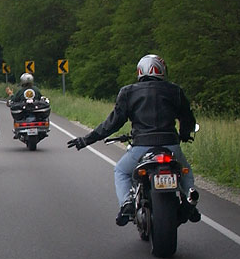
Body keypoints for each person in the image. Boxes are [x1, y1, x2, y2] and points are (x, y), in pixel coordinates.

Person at [67, 54, 200, 226]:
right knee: (184, 171)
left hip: (141, 146)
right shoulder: (175, 90)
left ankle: (127, 203)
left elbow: (112, 124)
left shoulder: (128, 92)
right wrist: (184, 134)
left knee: (121, 171)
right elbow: (187, 118)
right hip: (170, 145)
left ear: (140, 71)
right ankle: (190, 198)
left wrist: (87, 140)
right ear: (162, 70)